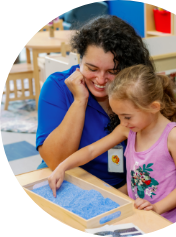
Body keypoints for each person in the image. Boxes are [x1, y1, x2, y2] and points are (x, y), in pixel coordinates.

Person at [48, 64, 176, 224]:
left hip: (168, 217)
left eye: (127, 116)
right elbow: (91, 150)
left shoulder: (173, 137)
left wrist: (156, 208)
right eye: (118, 116)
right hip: (139, 213)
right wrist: (62, 166)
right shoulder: (128, 130)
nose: (123, 122)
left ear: (153, 107)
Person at [36, 15, 155, 195]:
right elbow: (55, 161)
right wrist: (79, 101)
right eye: (92, 69)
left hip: (121, 189)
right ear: (79, 60)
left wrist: (119, 196)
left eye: (112, 72)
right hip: (65, 183)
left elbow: (155, 160)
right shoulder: (57, 86)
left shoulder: (138, 91)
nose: (100, 80)